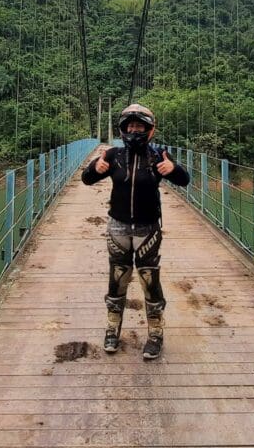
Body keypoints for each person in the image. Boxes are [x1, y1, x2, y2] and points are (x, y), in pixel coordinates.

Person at [81, 103, 189, 359]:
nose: (134, 130)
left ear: (151, 130)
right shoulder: (112, 156)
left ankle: (155, 333)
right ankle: (111, 330)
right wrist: (94, 169)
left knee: (149, 280)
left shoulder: (159, 156)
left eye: (140, 126)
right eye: (130, 126)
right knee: (117, 278)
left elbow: (184, 180)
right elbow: (86, 179)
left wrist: (173, 170)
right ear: (122, 129)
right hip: (117, 226)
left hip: (148, 227)